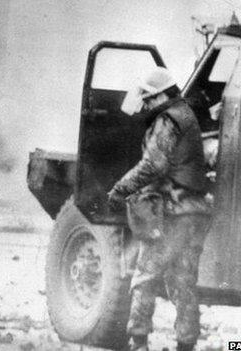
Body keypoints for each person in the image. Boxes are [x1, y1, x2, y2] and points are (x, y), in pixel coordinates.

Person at [107, 67, 211, 351]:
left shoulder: (168, 119)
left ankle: (138, 342)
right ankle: (185, 344)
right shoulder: (187, 115)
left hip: (173, 213)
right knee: (184, 281)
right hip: (196, 211)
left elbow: (153, 165)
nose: (148, 105)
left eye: (150, 99)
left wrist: (120, 188)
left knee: (144, 276)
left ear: (163, 95)